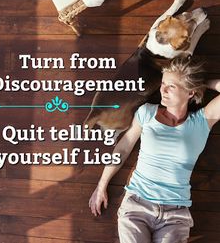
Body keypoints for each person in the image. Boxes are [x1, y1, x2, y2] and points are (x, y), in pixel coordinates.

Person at [89, 55, 220, 243]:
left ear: (190, 92)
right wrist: (101, 185)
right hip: (137, 205)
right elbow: (124, 147)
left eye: (171, 86)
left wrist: (201, 83)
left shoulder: (202, 122)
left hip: (175, 215)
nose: (163, 90)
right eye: (163, 83)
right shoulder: (147, 113)